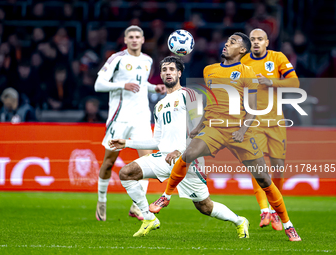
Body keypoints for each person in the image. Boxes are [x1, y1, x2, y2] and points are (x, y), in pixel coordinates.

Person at [151, 32, 301, 242]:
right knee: (188, 154)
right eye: (227, 41)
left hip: (240, 130)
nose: (226, 44)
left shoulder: (246, 71)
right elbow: (212, 103)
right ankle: (166, 196)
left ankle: (288, 225)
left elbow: (252, 107)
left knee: (264, 180)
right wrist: (199, 126)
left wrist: (242, 130)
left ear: (242, 50)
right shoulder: (209, 70)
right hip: (214, 128)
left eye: (233, 42)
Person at [109, 56, 250, 238]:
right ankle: (149, 218)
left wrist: (181, 150)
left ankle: (240, 221)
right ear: (160, 74)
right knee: (126, 173)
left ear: (179, 73)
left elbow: (202, 129)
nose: (168, 72)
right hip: (165, 157)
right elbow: (157, 142)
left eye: (172, 69)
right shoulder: (159, 106)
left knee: (205, 206)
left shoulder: (189, 95)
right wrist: (126, 143)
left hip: (189, 159)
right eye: (165, 70)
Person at [94, 25, 166, 222]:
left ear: (143, 40)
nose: (134, 40)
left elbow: (141, 85)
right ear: (125, 40)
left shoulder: (147, 60)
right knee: (108, 162)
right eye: (131, 37)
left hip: (142, 117)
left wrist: (154, 89)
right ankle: (101, 200)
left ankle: (137, 206)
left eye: (137, 37)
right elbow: (98, 85)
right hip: (120, 118)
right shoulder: (117, 59)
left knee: (148, 163)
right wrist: (121, 85)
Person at [240, 28, 300, 230]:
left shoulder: (277, 57)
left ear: (267, 42)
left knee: (277, 168)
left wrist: (271, 81)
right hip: (253, 121)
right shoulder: (243, 62)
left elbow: (295, 82)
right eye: (253, 39)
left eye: (260, 39)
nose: (256, 42)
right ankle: (264, 211)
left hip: (276, 122)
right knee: (257, 166)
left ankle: (275, 211)